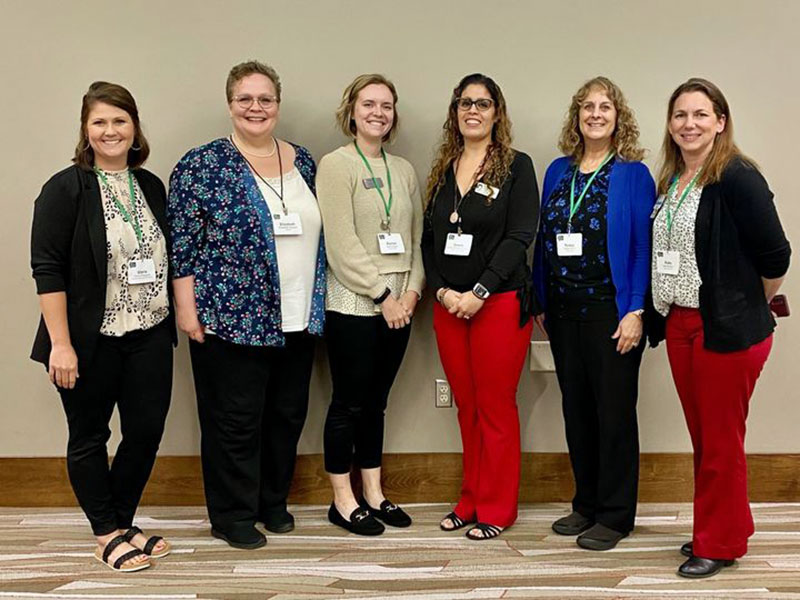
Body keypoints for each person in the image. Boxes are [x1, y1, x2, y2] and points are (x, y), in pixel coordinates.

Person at [168, 61, 326, 549]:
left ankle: (271, 502)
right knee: (233, 421)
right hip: (228, 318)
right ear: (230, 104)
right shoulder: (202, 164)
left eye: (265, 99)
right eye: (246, 99)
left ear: (278, 105)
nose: (256, 108)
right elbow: (184, 244)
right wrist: (186, 308)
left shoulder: (304, 161)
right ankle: (233, 514)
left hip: (297, 317)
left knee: (285, 415)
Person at [30, 82, 175, 572]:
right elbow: (47, 268)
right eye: (100, 122)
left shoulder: (150, 186)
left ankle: (121, 520)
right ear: (85, 131)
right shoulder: (65, 188)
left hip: (150, 332)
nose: (110, 130)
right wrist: (61, 344)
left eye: (120, 120)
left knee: (145, 432)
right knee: (89, 435)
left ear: (134, 128)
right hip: (89, 339)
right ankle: (107, 532)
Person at [649, 78, 790, 578]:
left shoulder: (736, 176)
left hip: (726, 327)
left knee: (721, 440)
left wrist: (753, 301)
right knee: (707, 438)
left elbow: (777, 255)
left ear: (720, 121)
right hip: (682, 323)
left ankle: (721, 542)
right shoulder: (671, 180)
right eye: (680, 115)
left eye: (700, 114)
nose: (689, 124)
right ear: (670, 124)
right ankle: (722, 525)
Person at [531, 76, 656, 550]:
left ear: (617, 116)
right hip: (564, 313)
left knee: (615, 414)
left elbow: (642, 248)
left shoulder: (633, 174)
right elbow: (546, 237)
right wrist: (540, 296)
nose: (596, 114)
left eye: (605, 106)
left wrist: (635, 311)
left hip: (612, 312)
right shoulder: (558, 171)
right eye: (587, 107)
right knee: (577, 411)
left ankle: (616, 514)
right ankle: (585, 503)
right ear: (577, 116)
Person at [422, 73, 539, 540]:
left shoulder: (515, 165)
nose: (473, 110)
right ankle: (469, 498)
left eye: (483, 103)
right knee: (465, 407)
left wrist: (480, 292)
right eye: (465, 103)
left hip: (499, 303)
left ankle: (497, 506)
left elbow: (520, 236)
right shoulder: (444, 168)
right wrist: (444, 292)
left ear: (497, 113)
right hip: (449, 307)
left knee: (494, 407)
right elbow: (430, 239)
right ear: (455, 112)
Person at [316, 74, 423, 536]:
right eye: (369, 104)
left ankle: (374, 493)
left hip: (402, 303)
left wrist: (412, 293)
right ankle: (343, 499)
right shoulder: (336, 165)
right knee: (348, 404)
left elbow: (418, 240)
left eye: (386, 105)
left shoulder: (404, 170)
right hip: (355, 302)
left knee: (376, 403)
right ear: (352, 111)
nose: (378, 112)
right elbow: (341, 244)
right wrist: (382, 296)